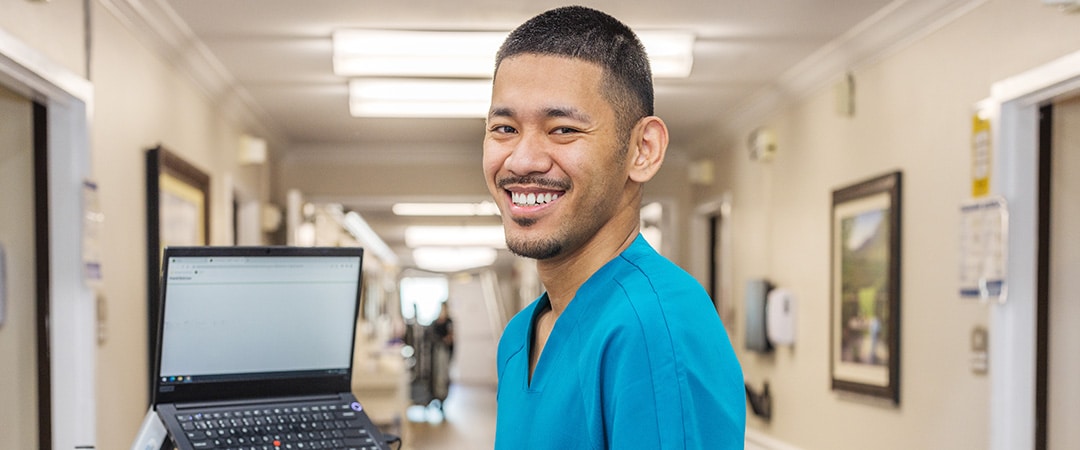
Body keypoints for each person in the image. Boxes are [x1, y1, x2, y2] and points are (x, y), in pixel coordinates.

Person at [483, 5, 746, 450]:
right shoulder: (519, 338)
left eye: (563, 129)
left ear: (643, 149)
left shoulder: (654, 327)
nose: (523, 160)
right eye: (504, 127)